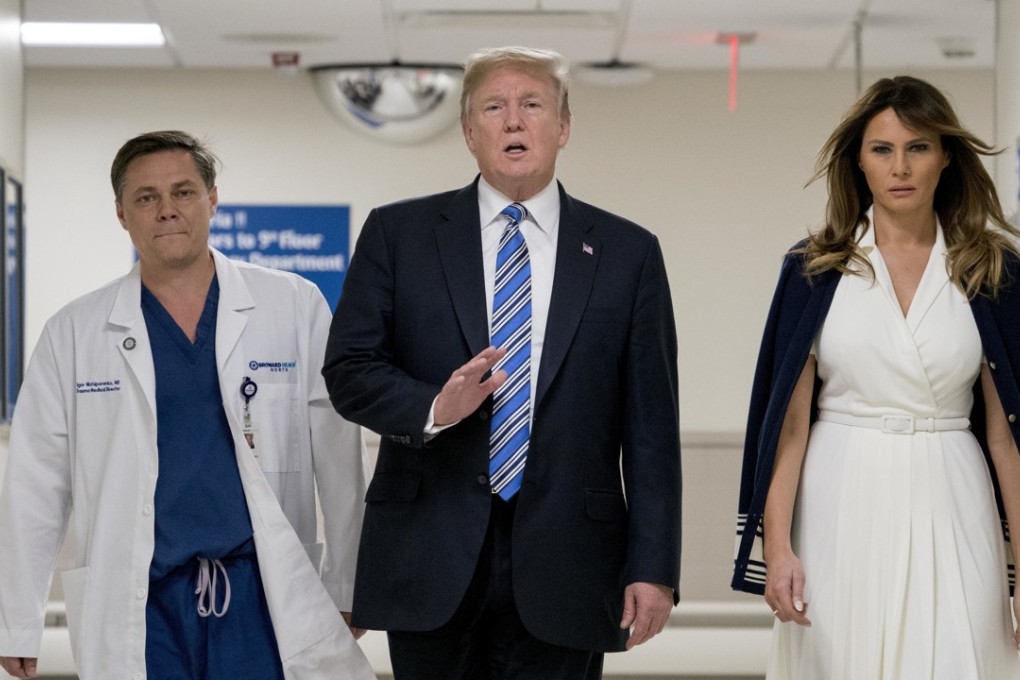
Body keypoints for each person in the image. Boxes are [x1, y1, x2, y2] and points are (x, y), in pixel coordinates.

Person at [322, 46, 682, 679]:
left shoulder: (629, 253)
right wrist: (434, 407)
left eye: (532, 105)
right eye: (494, 107)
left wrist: (654, 568)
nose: (514, 122)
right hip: (429, 554)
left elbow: (650, 428)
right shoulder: (397, 235)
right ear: (468, 131)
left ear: (563, 127)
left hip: (571, 560)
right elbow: (349, 369)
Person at [0, 131, 375, 680]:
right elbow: (36, 483)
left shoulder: (292, 304)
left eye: (183, 192)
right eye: (146, 198)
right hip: (141, 601)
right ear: (122, 215)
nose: (167, 210)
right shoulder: (75, 332)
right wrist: (16, 617)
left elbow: (341, 459)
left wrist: (348, 582)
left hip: (264, 596)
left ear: (212, 199)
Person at [731, 75, 1020, 679]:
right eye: (882, 149)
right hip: (840, 493)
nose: (901, 167)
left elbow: (1005, 436)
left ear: (946, 156)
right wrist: (778, 549)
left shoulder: (991, 269)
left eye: (918, 147)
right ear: (858, 162)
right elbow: (788, 427)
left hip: (954, 490)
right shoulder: (815, 269)